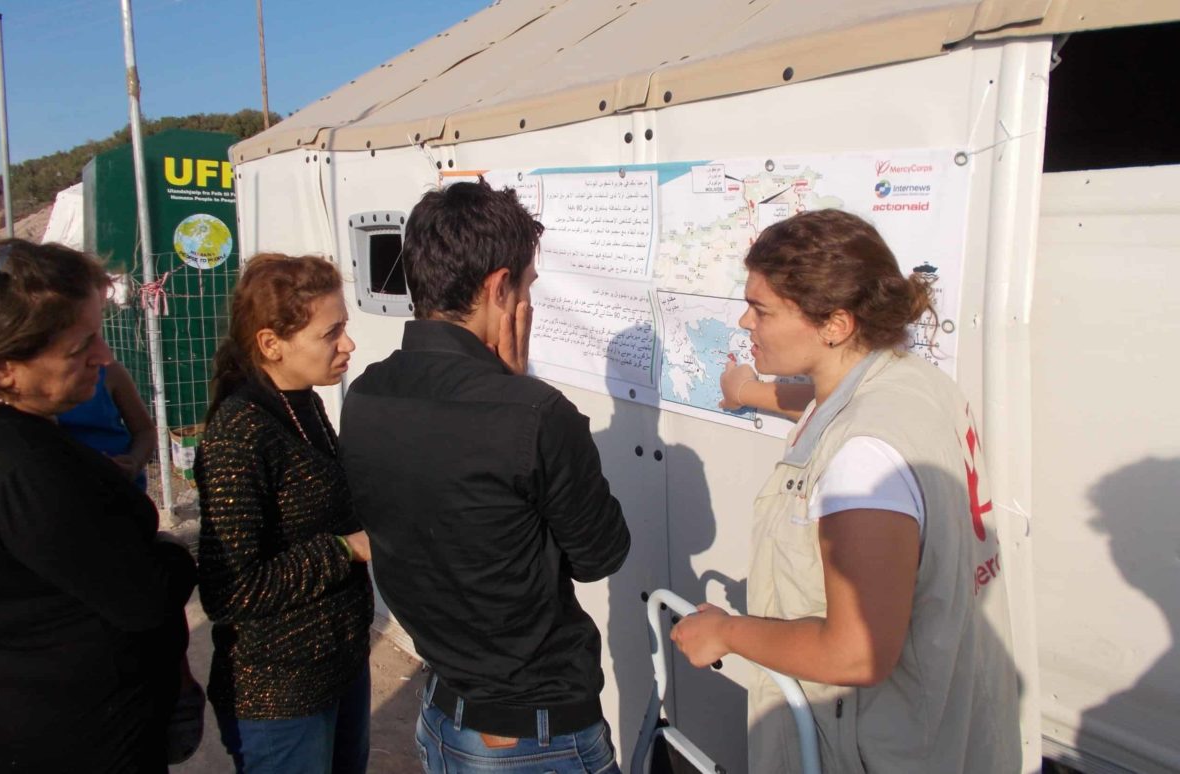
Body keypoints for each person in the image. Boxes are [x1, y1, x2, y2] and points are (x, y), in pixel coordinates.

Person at [671, 210, 1021, 773]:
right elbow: (826, 399)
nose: (743, 321)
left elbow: (856, 652)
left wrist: (727, 632)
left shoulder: (862, 459)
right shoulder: (915, 381)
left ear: (835, 323)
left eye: (761, 310)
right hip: (951, 729)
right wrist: (749, 391)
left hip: (873, 751)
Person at [339, 180, 631, 774]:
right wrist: (519, 390)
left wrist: (511, 387)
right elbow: (601, 554)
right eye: (526, 287)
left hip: (444, 714)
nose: (528, 300)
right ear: (500, 287)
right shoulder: (537, 415)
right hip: (535, 736)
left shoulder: (366, 394)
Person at [0, 239, 197, 773]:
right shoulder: (28, 469)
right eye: (81, 347)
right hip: (81, 740)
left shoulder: (17, 444)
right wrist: (173, 554)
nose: (103, 357)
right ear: (5, 368)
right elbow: (142, 597)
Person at [195, 253, 374, 774]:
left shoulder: (305, 402)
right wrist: (346, 548)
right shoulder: (240, 432)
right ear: (271, 343)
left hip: (338, 665)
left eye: (344, 327)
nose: (348, 344)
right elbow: (229, 589)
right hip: (281, 695)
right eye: (330, 333)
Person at [57, 358, 155, 490]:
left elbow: (145, 431)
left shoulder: (110, 372)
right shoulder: (26, 387)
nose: (103, 352)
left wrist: (135, 461)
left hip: (118, 489)